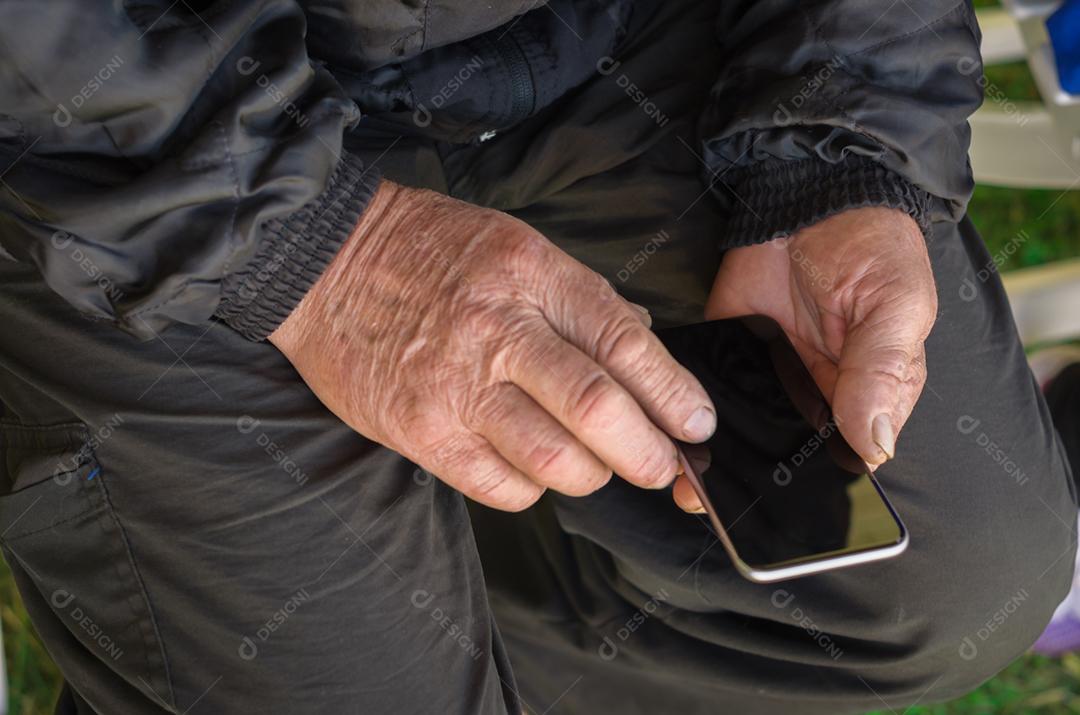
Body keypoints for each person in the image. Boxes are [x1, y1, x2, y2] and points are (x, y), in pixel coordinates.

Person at [0, 1, 1074, 713]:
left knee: (953, 573)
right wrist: (313, 243)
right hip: (129, 142)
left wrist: (842, 144)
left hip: (602, 45)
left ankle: (314, 612)